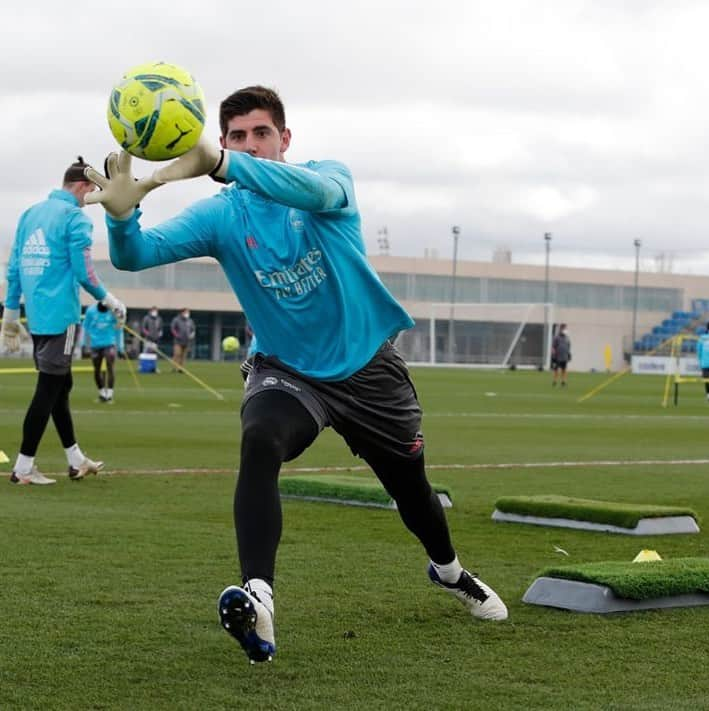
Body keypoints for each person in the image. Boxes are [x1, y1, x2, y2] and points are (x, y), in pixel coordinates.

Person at [84, 86, 508, 663]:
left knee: (414, 493)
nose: (251, 145)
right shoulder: (221, 213)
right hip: (287, 370)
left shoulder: (326, 179)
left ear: (285, 139)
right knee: (260, 438)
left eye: (262, 134)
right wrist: (123, 216)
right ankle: (259, 597)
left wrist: (226, 164)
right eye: (237, 136)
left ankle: (450, 571)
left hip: (368, 368)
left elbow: (318, 191)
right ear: (223, 139)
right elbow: (136, 256)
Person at [1, 156, 126, 485]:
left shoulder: (30, 214)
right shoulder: (75, 218)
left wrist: (11, 317)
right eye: (91, 193)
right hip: (62, 317)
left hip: (37, 319)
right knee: (48, 390)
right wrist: (110, 300)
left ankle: (76, 460)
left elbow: (13, 270)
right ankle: (24, 467)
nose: (90, 200)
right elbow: (85, 272)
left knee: (61, 387)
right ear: (83, 186)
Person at [81, 300, 125, 402]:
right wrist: (84, 344)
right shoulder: (90, 311)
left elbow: (119, 329)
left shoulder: (114, 311)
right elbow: (85, 328)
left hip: (110, 343)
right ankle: (102, 393)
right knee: (97, 370)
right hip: (95, 345)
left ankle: (109, 394)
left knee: (110, 367)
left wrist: (120, 347)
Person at [697, 322, 709, 402]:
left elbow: (699, 351)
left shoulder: (702, 337)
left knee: (706, 379)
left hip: (705, 362)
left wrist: (700, 360)